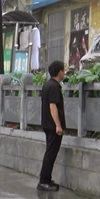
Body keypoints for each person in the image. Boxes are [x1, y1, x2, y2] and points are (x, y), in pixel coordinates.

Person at [37, 60, 66, 192]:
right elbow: (53, 106)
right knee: (51, 153)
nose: (64, 73)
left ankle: (46, 179)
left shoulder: (47, 85)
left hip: (47, 124)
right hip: (53, 126)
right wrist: (58, 125)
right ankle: (44, 181)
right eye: (63, 70)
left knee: (50, 152)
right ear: (60, 72)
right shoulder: (54, 87)